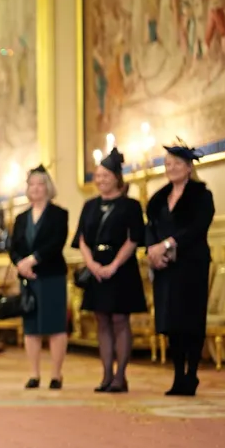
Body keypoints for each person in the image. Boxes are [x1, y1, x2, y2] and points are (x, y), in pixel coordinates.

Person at [72, 148, 147, 392]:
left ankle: (121, 375)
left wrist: (114, 265)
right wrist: (92, 264)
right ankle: (106, 375)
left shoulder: (131, 206)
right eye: (98, 176)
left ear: (116, 177)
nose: (101, 180)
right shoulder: (89, 206)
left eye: (105, 175)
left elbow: (134, 239)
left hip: (121, 268)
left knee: (119, 319)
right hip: (96, 267)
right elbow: (82, 239)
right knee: (101, 320)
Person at [146, 144, 214, 397]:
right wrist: (153, 251)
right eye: (167, 164)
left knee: (191, 320)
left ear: (188, 167)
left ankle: (192, 374)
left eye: (176, 163)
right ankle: (177, 376)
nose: (171, 168)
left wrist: (168, 244)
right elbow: (150, 227)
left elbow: (198, 227)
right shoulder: (159, 198)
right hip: (165, 268)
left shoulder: (201, 195)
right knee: (171, 322)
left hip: (191, 264)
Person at [9, 165, 70, 390]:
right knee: (31, 327)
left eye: (40, 184)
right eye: (31, 184)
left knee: (55, 326)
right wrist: (20, 264)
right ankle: (34, 374)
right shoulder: (21, 218)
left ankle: (56, 374)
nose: (35, 188)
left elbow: (56, 242)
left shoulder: (59, 214)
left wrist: (33, 259)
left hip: (51, 274)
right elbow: (12, 245)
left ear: (48, 187)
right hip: (28, 278)